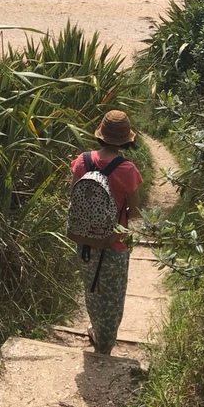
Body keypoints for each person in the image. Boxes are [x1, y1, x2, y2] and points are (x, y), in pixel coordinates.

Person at [71, 109, 142, 355]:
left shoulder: (81, 161)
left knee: (91, 291)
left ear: (100, 135)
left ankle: (95, 328)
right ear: (126, 140)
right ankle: (104, 348)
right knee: (112, 300)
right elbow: (134, 214)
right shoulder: (128, 170)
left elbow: (74, 202)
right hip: (115, 244)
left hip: (85, 241)